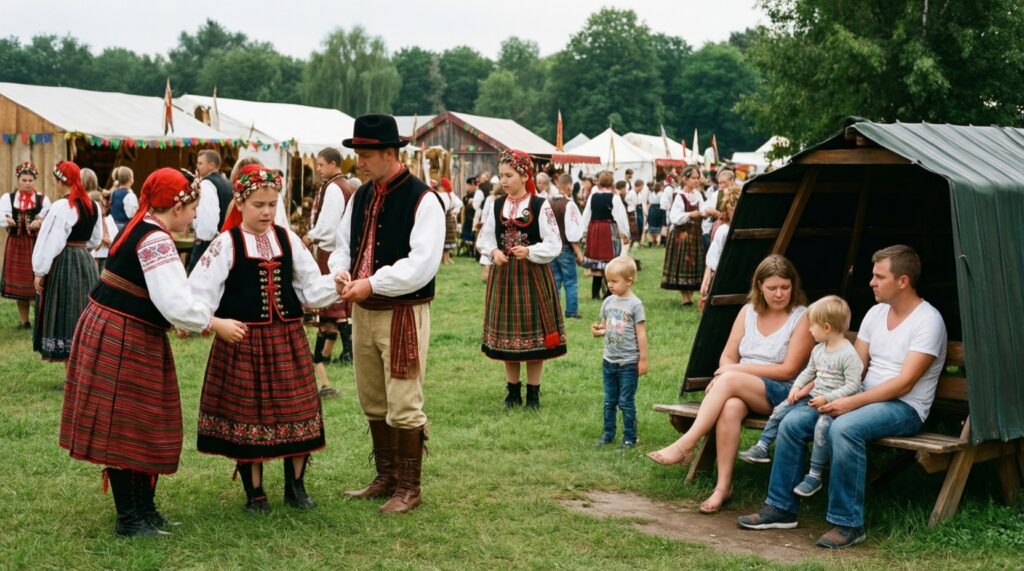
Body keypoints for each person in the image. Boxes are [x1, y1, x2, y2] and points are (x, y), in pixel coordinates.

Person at [60, 168, 246, 538]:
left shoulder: (144, 225)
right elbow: (175, 303)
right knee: (125, 424)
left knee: (143, 421)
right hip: (123, 333)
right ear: (176, 207)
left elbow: (173, 295)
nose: (194, 216)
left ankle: (144, 510)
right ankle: (129, 519)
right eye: (192, 207)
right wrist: (214, 323)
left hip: (126, 329)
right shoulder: (155, 240)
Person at [738, 245, 947, 549]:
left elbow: (905, 383)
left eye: (879, 276)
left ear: (902, 281)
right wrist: (819, 391)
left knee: (844, 427)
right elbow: (855, 367)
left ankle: (848, 523)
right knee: (795, 420)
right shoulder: (876, 314)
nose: (871, 282)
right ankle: (781, 508)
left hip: (904, 407)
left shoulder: (928, 321)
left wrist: (850, 403)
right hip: (858, 394)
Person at [190, 165, 343, 514]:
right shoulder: (225, 244)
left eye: (273, 204)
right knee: (249, 416)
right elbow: (199, 292)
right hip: (243, 341)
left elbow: (310, 286)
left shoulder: (287, 239)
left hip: (287, 339)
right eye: (259, 204)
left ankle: (296, 487)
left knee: (298, 408)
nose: (267, 212)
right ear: (240, 202)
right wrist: (214, 322)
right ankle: (255, 493)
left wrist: (335, 281)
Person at [330, 114, 445, 514]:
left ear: (390, 153)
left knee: (404, 400)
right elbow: (342, 244)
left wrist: (372, 283)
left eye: (365, 154)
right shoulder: (361, 195)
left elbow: (422, 265)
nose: (358, 161)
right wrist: (341, 271)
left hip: (401, 312)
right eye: (357, 154)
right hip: (363, 309)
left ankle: (410, 487)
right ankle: (387, 476)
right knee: (373, 398)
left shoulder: (423, 198)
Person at [648, 255, 814, 514]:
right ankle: (723, 487)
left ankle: (687, 443)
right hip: (741, 388)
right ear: (760, 286)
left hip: (785, 393)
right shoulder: (748, 312)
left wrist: (733, 371)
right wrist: (728, 372)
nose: (779, 294)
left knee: (730, 381)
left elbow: (788, 370)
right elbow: (727, 355)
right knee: (730, 408)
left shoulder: (801, 317)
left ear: (794, 286)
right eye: (772, 288)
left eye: (785, 287)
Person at [738, 296, 863, 500]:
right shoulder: (819, 349)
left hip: (836, 403)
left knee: (822, 427)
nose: (809, 330)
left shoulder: (848, 354)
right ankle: (762, 446)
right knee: (781, 409)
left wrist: (828, 398)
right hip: (813, 396)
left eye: (812, 326)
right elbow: (809, 373)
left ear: (827, 327)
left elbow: (853, 386)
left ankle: (814, 475)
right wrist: (797, 388)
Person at [479, 149, 566, 410]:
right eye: (501, 175)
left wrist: (530, 251)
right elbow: (485, 238)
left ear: (524, 174)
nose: (503, 181)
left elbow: (554, 243)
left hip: (532, 275)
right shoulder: (495, 205)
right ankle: (512, 393)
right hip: (504, 276)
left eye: (509, 175)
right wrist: (494, 252)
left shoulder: (540, 205)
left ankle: (534, 395)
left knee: (534, 338)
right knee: (508, 337)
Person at [32, 162, 103, 362]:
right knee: (82, 308)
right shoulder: (93, 205)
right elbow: (95, 239)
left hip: (65, 261)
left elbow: (50, 241)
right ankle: (82, 362)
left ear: (60, 181)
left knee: (67, 309)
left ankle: (71, 367)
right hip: (85, 260)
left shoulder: (62, 206)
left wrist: (40, 271)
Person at [304, 147, 355, 398]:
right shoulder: (344, 185)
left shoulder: (335, 188)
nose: (318, 168)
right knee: (337, 305)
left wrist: (310, 237)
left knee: (331, 304)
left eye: (322, 164)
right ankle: (332, 354)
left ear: (334, 164)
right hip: (337, 250)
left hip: (330, 250)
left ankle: (345, 353)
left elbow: (328, 224)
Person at [592, 256, 647, 448]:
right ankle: (608, 435)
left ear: (629, 280)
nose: (610, 285)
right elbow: (605, 326)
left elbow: (641, 334)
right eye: (609, 281)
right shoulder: (607, 302)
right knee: (609, 401)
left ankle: (630, 437)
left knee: (625, 402)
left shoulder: (635, 305)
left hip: (628, 363)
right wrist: (598, 331)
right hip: (609, 362)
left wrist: (643, 360)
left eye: (615, 281)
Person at [1, 161, 50, 328]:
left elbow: (48, 217)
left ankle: (40, 320)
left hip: (36, 245)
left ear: (34, 181)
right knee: (20, 286)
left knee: (38, 282)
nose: (27, 183)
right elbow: (1, 215)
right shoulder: (8, 198)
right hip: (16, 245)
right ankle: (24, 321)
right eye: (24, 180)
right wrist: (7, 219)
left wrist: (40, 221)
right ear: (18, 180)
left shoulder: (42, 199)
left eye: (30, 180)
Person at [581, 172, 631, 300]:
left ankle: (595, 293)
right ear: (612, 183)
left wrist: (582, 232)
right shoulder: (614, 197)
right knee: (610, 262)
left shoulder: (593, 196)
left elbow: (586, 215)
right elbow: (621, 217)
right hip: (608, 230)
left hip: (594, 229)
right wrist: (625, 233)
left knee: (597, 263)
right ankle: (608, 294)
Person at [661, 166, 707, 305]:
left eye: (698, 178)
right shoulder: (679, 195)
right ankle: (685, 297)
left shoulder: (698, 195)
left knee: (694, 264)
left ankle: (690, 295)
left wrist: (706, 213)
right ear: (685, 179)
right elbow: (674, 217)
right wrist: (689, 215)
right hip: (682, 234)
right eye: (693, 178)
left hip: (696, 233)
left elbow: (704, 208)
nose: (696, 181)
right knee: (683, 264)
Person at [188, 149, 232, 273]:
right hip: (224, 239)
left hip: (208, 243)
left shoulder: (207, 184)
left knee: (196, 282)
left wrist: (202, 240)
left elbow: (208, 217)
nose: (197, 166)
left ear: (211, 165)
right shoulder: (227, 183)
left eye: (200, 163)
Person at [548, 173, 583, 319]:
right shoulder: (570, 205)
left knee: (555, 281)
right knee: (570, 282)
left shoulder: (548, 203)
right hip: (565, 248)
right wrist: (578, 251)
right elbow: (572, 232)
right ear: (569, 187)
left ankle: (553, 313)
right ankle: (571, 312)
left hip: (551, 247)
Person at [700, 191, 739, 303]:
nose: (736, 213)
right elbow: (713, 259)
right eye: (732, 209)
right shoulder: (723, 231)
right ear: (727, 212)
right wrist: (708, 277)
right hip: (724, 276)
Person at [87, 188, 118, 273]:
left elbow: (115, 236)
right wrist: (102, 240)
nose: (104, 208)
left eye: (105, 206)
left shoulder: (109, 219)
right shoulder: (91, 220)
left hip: (107, 255)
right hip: (95, 255)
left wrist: (109, 242)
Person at [439, 177, 462, 265]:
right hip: (449, 219)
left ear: (443, 186)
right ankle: (445, 259)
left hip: (444, 219)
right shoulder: (451, 194)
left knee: (446, 239)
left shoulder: (443, 195)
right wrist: (454, 212)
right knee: (447, 239)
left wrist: (453, 212)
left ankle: (446, 258)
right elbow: (460, 203)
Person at [108, 166, 138, 233]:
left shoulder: (113, 192)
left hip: (113, 227)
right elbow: (132, 214)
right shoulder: (130, 196)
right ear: (130, 178)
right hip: (124, 228)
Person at [459, 178, 477, 257]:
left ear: (472, 185)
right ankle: (468, 251)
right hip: (468, 218)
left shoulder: (477, 194)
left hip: (473, 218)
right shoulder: (468, 196)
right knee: (466, 237)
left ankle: (472, 252)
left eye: (468, 185)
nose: (467, 187)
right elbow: (464, 200)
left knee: (472, 237)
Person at [645, 181, 664, 246]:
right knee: (659, 225)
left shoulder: (651, 194)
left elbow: (649, 201)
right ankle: (658, 241)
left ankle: (651, 241)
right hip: (659, 209)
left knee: (651, 224)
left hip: (652, 208)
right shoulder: (661, 194)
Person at [634, 179, 649, 247]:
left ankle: (640, 242)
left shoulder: (640, 194)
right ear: (639, 186)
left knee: (641, 227)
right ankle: (637, 242)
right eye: (642, 187)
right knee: (636, 227)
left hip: (640, 211)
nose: (642, 188)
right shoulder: (632, 193)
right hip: (635, 211)